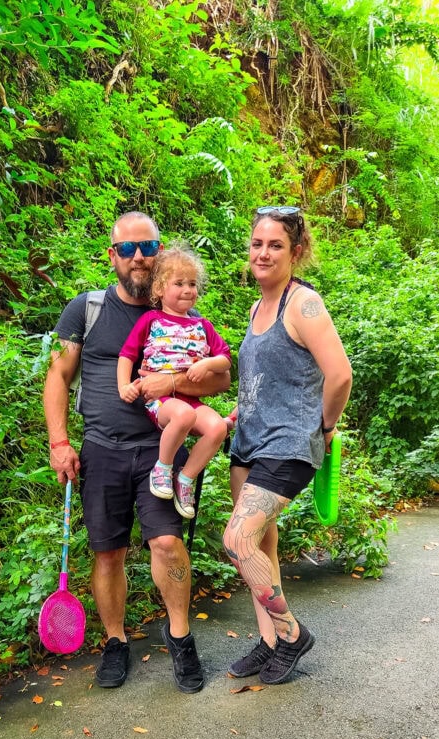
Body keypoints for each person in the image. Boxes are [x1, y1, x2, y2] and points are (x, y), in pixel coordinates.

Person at [43, 212, 230, 692]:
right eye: (128, 249)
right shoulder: (86, 310)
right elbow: (58, 377)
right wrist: (59, 443)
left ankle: (182, 639)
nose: (139, 257)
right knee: (107, 553)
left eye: (148, 246)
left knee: (167, 543)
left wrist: (169, 381)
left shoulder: (183, 315)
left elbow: (222, 375)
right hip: (102, 449)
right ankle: (115, 641)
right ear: (113, 256)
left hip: (158, 447)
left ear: (161, 252)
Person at [223, 205, 352, 685]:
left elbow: (340, 375)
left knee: (238, 540)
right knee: (263, 543)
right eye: (257, 243)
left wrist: (324, 426)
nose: (263, 252)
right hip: (249, 442)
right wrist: (241, 410)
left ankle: (292, 634)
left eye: (275, 244)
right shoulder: (258, 305)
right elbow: (266, 376)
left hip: (288, 444)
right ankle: (272, 641)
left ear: (295, 253)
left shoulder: (304, 304)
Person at [117, 244, 231, 520]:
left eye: (192, 284)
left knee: (217, 428)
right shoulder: (151, 320)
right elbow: (127, 355)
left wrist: (207, 363)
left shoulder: (202, 325)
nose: (188, 290)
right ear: (159, 289)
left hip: (191, 399)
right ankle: (163, 467)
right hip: (162, 401)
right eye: (179, 283)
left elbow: (225, 359)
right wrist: (124, 386)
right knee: (183, 415)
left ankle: (186, 478)